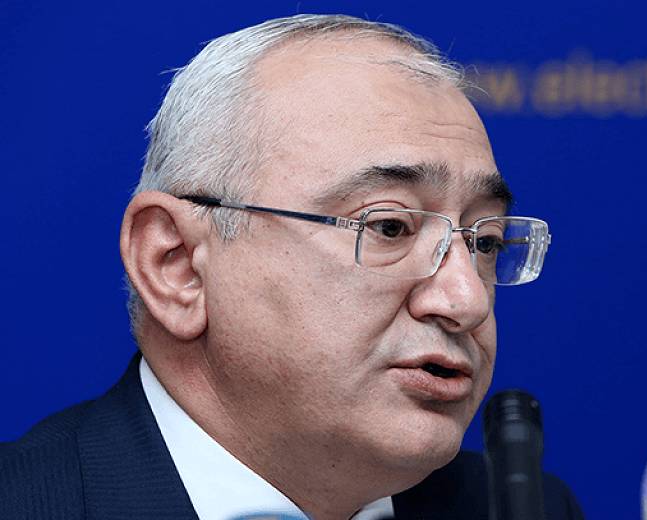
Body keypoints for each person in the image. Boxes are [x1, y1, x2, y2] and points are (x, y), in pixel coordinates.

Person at [0, 14, 583, 520]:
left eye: (486, 242)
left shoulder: (520, 508)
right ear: (176, 266)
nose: (466, 300)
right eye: (389, 227)